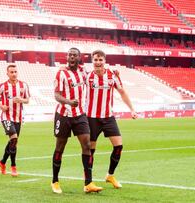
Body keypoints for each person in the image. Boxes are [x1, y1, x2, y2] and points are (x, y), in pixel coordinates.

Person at [51, 47, 102, 194]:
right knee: (60, 147)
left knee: (87, 145)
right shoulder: (61, 73)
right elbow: (56, 95)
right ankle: (55, 181)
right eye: (69, 55)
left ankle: (88, 183)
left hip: (80, 115)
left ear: (79, 57)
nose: (72, 57)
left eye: (74, 55)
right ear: (67, 57)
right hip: (64, 114)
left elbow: (96, 74)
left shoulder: (83, 71)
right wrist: (68, 101)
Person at [85, 50, 137, 189]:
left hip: (108, 117)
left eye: (100, 59)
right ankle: (88, 182)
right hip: (91, 118)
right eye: (95, 59)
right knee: (90, 151)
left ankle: (110, 175)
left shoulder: (112, 76)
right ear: (92, 61)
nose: (98, 62)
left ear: (104, 61)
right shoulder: (87, 76)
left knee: (118, 146)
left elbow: (122, 92)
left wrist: (132, 109)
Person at [0, 64, 30, 177]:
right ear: (7, 73)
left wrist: (21, 100)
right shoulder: (3, 86)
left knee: (13, 142)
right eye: (11, 72)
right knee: (14, 138)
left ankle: (2, 162)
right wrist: (1, 105)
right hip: (6, 117)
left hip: (18, 118)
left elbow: (27, 100)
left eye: (15, 71)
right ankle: (13, 166)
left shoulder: (24, 85)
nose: (14, 74)